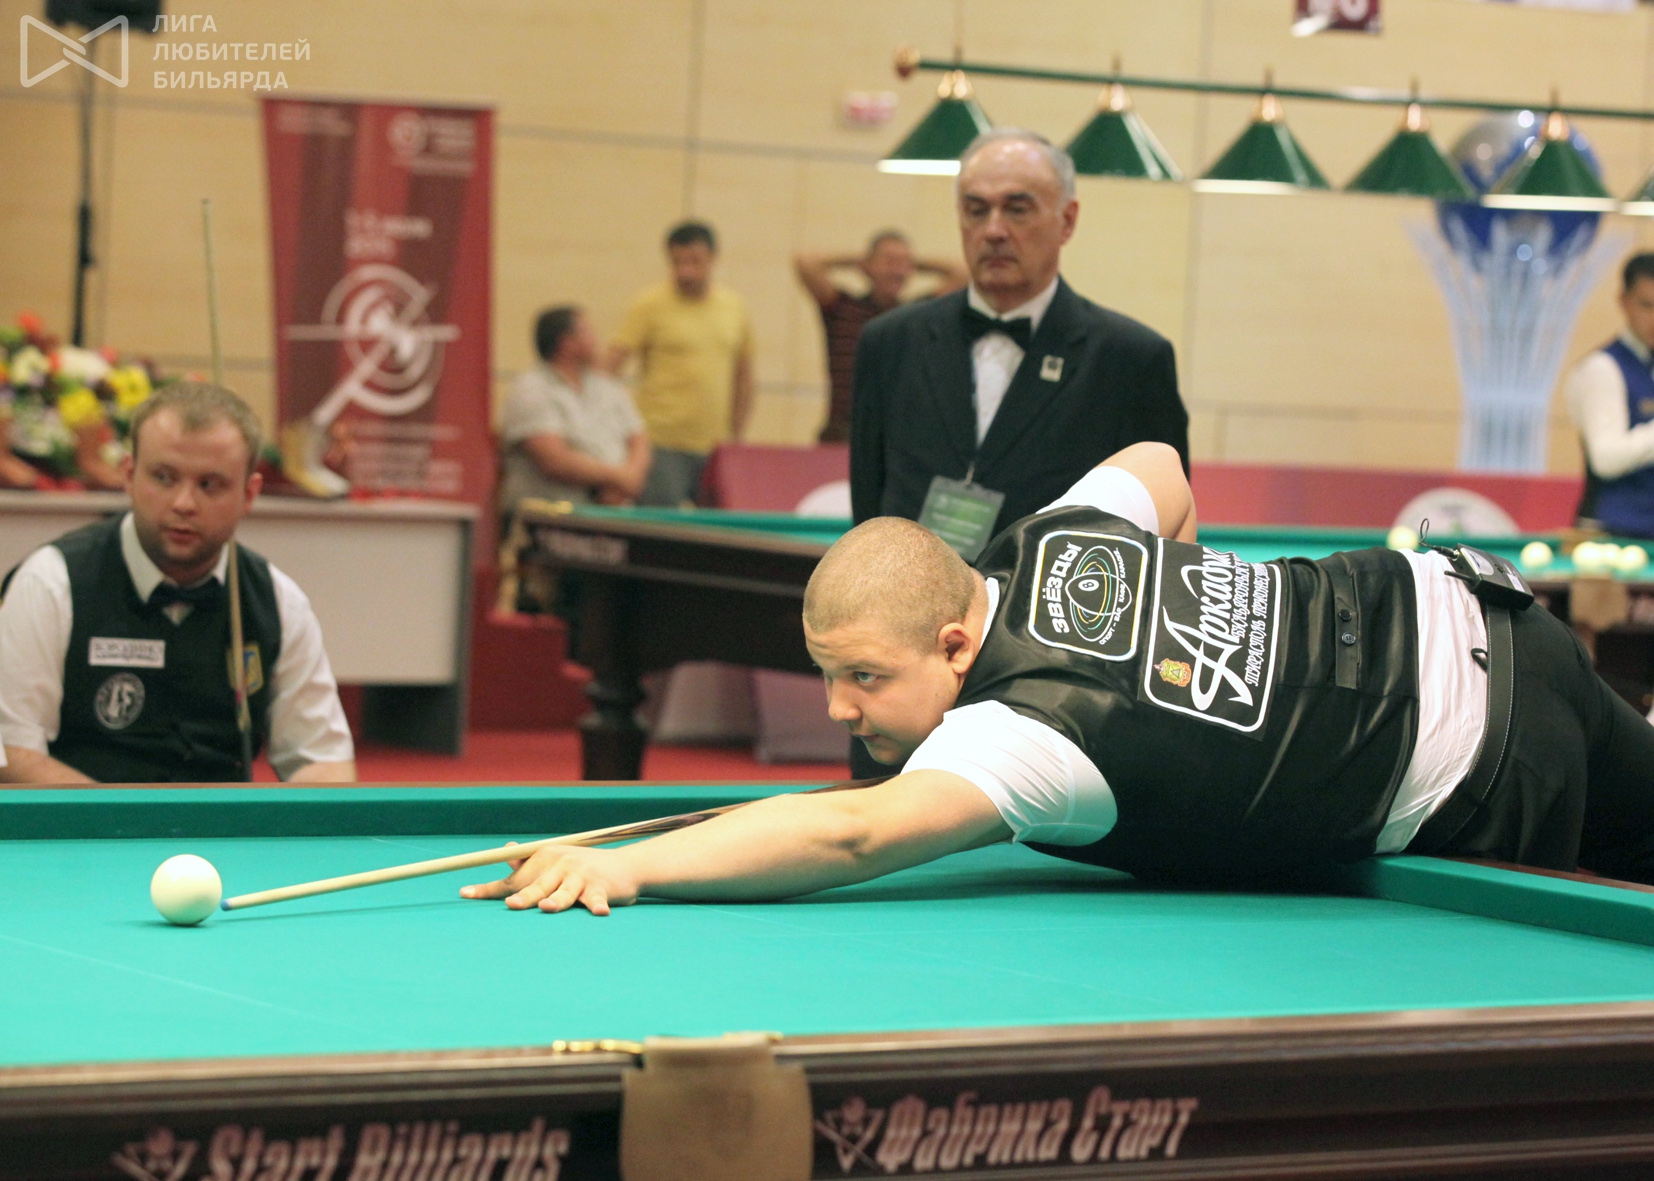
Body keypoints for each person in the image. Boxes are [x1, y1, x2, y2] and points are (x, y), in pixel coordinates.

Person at [462, 442, 1654, 914]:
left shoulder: (1023, 736)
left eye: (863, 675)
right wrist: (1182, 600)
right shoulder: (1059, 531)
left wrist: (626, 863)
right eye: (828, 676)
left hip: (1487, 759)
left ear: (953, 644)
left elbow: (848, 835)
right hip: (1484, 609)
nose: (839, 708)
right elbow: (1159, 463)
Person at [845, 127, 1190, 775]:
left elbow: (1166, 542)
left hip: (1053, 688)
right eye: (976, 210)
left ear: (1068, 220)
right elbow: (869, 506)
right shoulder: (890, 343)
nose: (994, 230)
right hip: (900, 678)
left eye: (1018, 208)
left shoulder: (1131, 360)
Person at [0, 382, 356, 784]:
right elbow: (11, 755)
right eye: (164, 478)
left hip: (222, 825)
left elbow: (325, 762)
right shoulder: (51, 583)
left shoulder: (276, 600)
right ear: (129, 475)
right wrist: (122, 820)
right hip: (84, 822)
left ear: (249, 494)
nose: (184, 503)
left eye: (209, 485)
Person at [608, 221, 754, 507]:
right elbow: (610, 366)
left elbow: (743, 377)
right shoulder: (649, 304)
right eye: (677, 262)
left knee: (717, 529)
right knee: (660, 527)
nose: (686, 271)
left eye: (694, 261)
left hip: (716, 446)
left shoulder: (734, 307)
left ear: (713, 257)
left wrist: (736, 435)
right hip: (660, 443)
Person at [794, 231, 966, 444]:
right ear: (866, 266)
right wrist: (860, 260)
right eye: (889, 261)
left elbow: (963, 272)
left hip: (901, 440)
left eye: (904, 263)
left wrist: (911, 264)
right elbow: (806, 262)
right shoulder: (841, 308)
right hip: (844, 437)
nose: (897, 270)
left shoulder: (918, 314)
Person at [498, 305, 651, 520]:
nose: (597, 339)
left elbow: (638, 437)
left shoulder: (606, 386)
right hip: (551, 519)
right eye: (588, 331)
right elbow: (554, 460)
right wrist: (617, 477)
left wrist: (631, 478)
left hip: (613, 516)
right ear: (567, 343)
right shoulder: (531, 390)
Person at [1566, 252, 1654, 537]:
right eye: (1647, 305)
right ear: (1624, 302)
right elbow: (1606, 458)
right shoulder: (1602, 368)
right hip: (1609, 536)